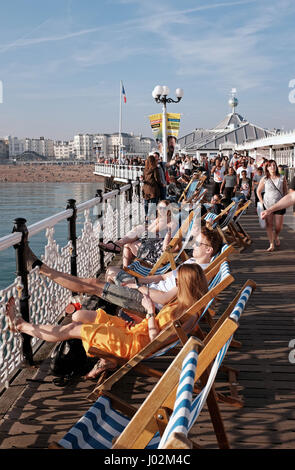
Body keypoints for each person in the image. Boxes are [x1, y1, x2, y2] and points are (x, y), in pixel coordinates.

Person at [5, 263, 208, 379]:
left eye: (178, 280)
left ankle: (21, 325)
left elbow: (155, 340)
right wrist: (143, 318)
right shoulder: (189, 307)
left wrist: (149, 313)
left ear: (185, 284)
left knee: (72, 328)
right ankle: (108, 361)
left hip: (131, 344)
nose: (175, 283)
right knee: (81, 316)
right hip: (135, 332)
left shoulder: (182, 314)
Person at [23, 225, 222, 316]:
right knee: (110, 273)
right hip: (144, 289)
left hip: (148, 302)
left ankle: (41, 268)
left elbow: (164, 299)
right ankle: (100, 305)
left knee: (93, 284)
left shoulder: (198, 271)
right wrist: (137, 281)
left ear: (209, 250)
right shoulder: (196, 262)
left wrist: (137, 286)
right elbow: (163, 275)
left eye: (198, 243)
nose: (193, 244)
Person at [98, 200, 178, 268]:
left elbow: (150, 232)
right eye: (160, 208)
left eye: (164, 208)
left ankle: (118, 247)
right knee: (132, 238)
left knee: (131, 240)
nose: (161, 210)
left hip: (157, 253)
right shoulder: (160, 219)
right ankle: (123, 263)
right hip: (153, 246)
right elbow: (149, 231)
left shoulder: (167, 220)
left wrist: (140, 230)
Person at [257, 159, 288, 251]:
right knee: (269, 224)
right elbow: (258, 191)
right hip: (268, 205)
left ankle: (276, 236)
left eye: (274, 165)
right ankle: (271, 244)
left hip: (279, 204)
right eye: (270, 165)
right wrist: (262, 201)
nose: (272, 167)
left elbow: (285, 190)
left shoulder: (282, 177)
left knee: (278, 226)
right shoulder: (265, 179)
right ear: (267, 168)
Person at [142, 154, 162, 219]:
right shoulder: (155, 169)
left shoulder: (145, 169)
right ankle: (149, 215)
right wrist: (161, 184)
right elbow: (157, 179)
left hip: (145, 188)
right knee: (153, 203)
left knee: (146, 203)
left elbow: (144, 178)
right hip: (153, 188)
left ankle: (146, 215)